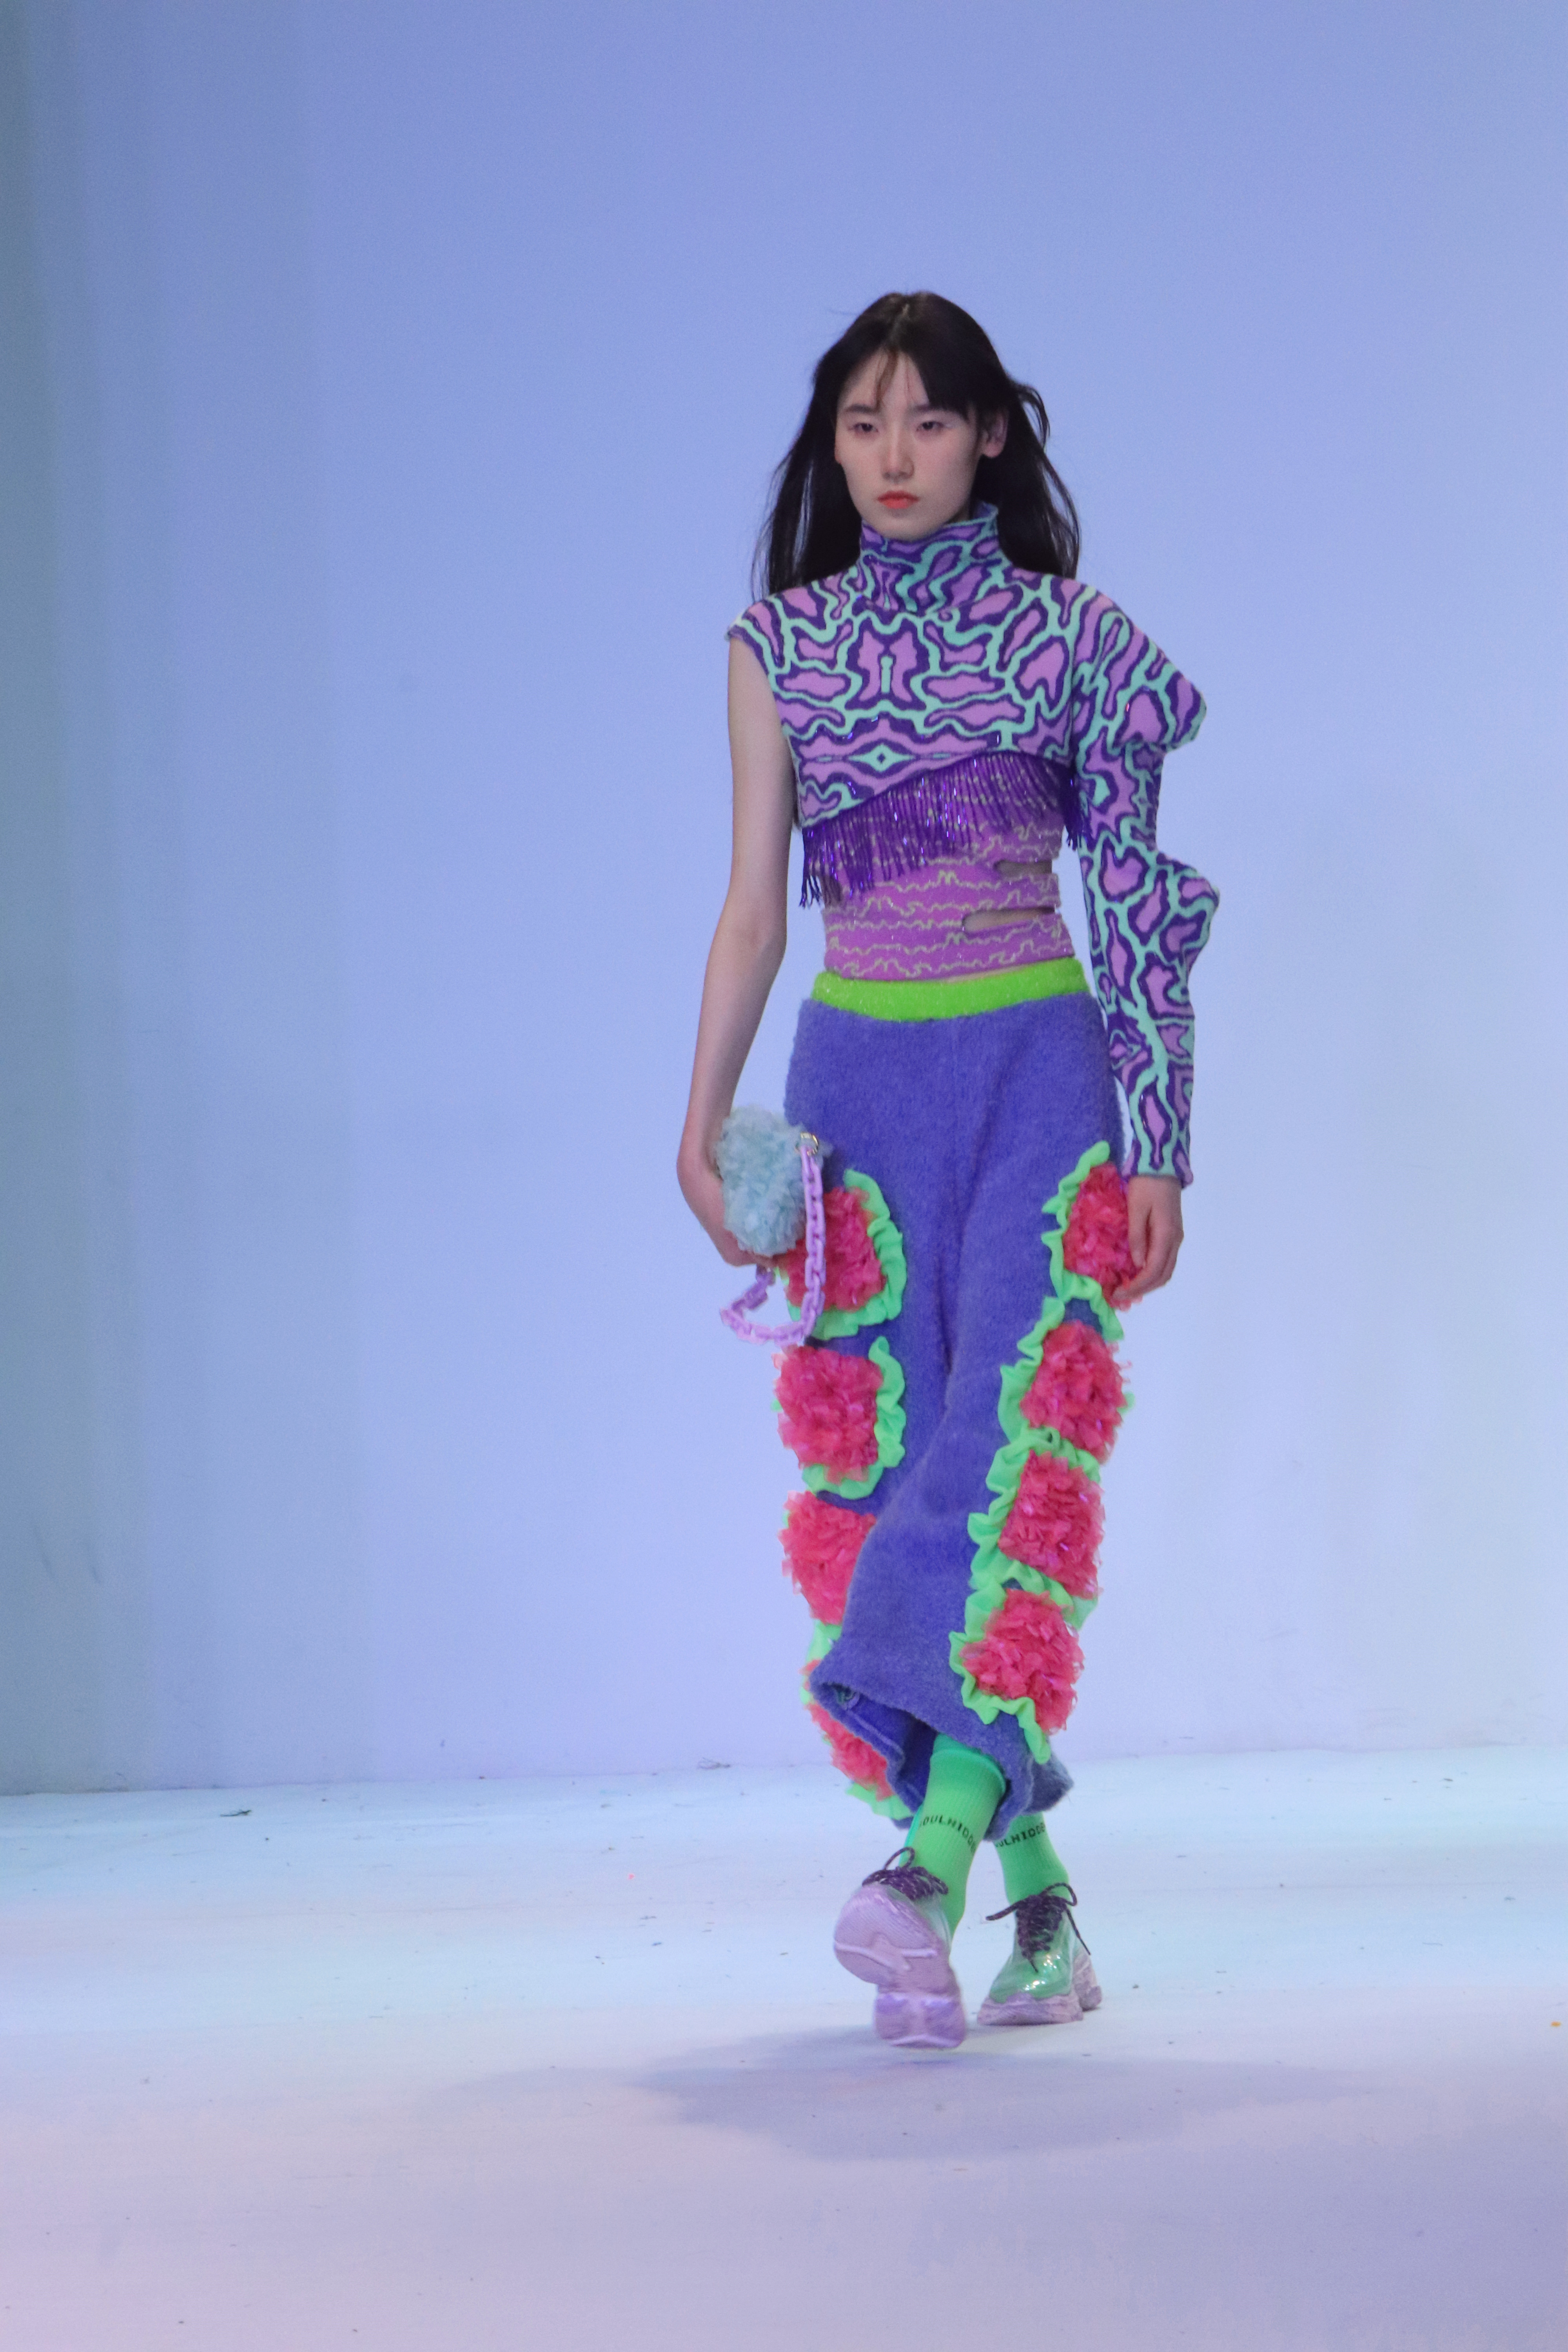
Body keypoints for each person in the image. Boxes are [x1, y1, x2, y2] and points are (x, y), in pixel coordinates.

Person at [677, 291, 1217, 2049]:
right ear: (829, 445)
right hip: (853, 1088)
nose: (893, 456)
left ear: (992, 432)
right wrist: (701, 1117)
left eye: (927, 420)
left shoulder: (1077, 641)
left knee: (1004, 1452)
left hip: (1039, 1080)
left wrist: (1160, 1142)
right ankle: (1040, 1905)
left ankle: (917, 1877)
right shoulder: (780, 645)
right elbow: (753, 910)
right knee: (895, 1467)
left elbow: (1134, 909)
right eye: (862, 423)